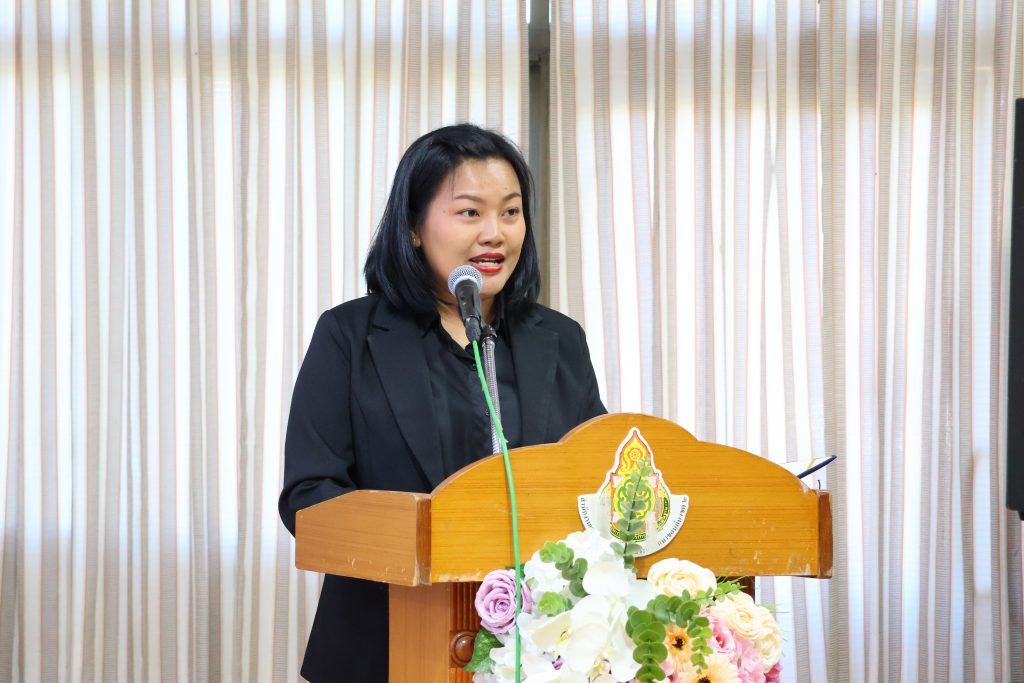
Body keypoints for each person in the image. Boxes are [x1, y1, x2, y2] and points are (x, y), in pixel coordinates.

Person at [278, 124, 606, 682]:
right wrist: (434, 537)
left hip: (542, 650)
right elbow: (309, 498)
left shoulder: (560, 338)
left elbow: (593, 480)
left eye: (510, 212)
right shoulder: (349, 336)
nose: (495, 234)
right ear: (412, 227)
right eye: (469, 212)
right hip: (383, 645)